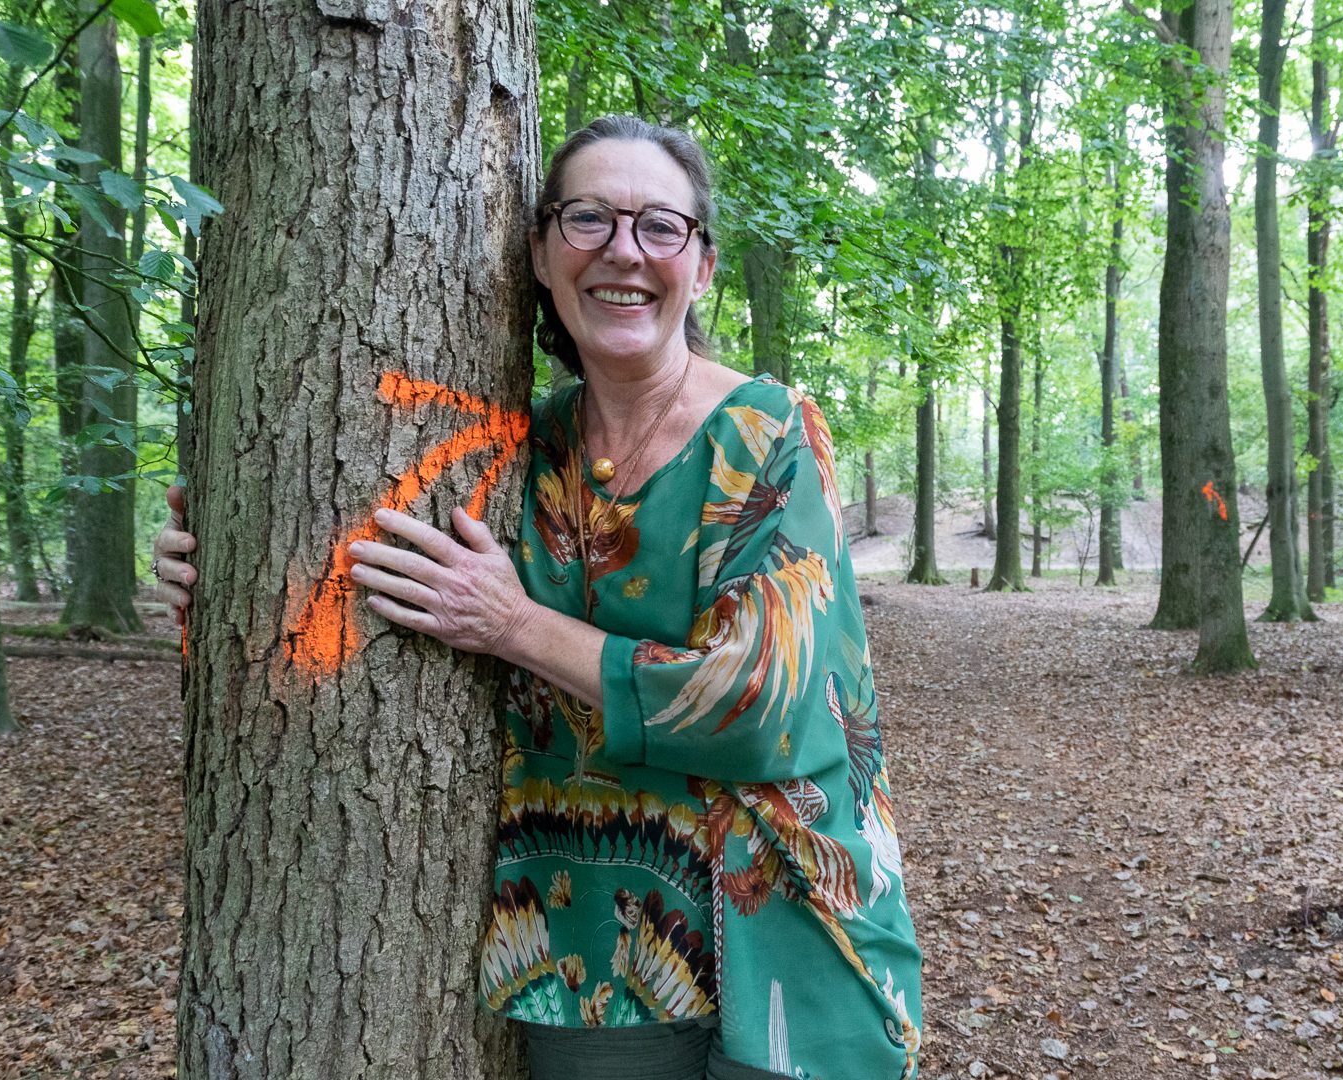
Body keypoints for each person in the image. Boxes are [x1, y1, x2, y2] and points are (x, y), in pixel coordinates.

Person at [153, 114, 923, 1080]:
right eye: (590, 219)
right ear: (542, 250)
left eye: (661, 227)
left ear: (705, 264)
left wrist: (516, 625)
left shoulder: (768, 437)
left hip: (791, 946)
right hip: (587, 951)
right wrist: (219, 577)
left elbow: (758, 708)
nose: (624, 253)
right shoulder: (522, 449)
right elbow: (373, 609)